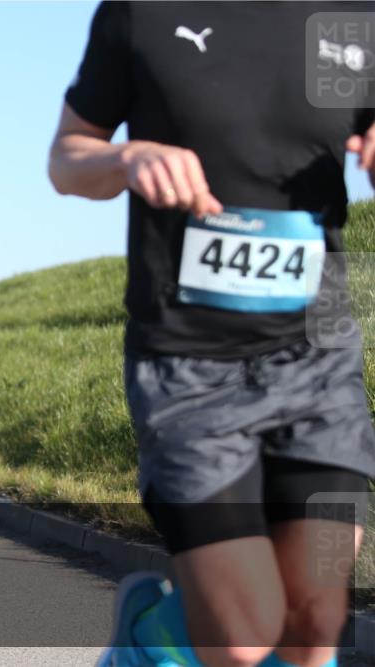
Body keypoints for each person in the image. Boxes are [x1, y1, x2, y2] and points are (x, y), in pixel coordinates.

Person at [48, 4, 375, 666]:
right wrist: (128, 156)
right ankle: (147, 634)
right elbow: (67, 158)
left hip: (320, 363)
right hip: (189, 368)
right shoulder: (140, 14)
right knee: (243, 638)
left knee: (315, 624)